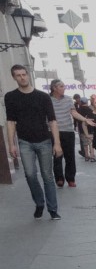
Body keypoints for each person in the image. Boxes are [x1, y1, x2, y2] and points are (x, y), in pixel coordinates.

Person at [5, 64, 62, 219]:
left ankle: (52, 209)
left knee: (47, 176)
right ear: (14, 77)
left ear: (28, 75)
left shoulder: (42, 96)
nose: (22, 77)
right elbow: (10, 122)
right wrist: (11, 144)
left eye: (24, 74)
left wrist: (57, 143)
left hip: (44, 140)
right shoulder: (10, 97)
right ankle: (39, 203)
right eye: (18, 75)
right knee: (30, 175)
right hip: (24, 142)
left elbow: (52, 121)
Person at [48, 80, 78, 188]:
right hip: (53, 131)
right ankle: (59, 178)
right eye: (61, 86)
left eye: (64, 86)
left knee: (70, 156)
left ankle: (71, 178)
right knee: (57, 155)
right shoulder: (48, 99)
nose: (64, 88)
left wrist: (84, 119)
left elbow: (73, 112)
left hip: (68, 131)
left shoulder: (68, 99)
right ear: (54, 88)